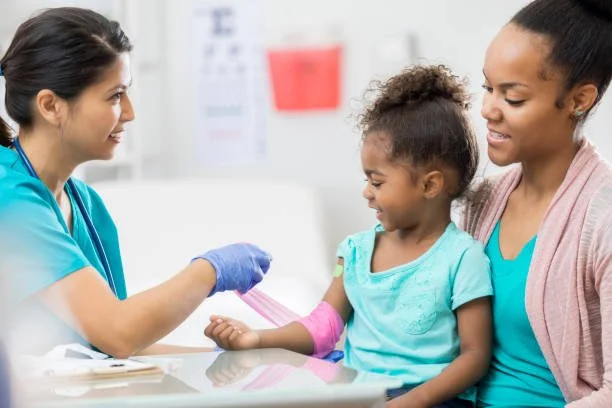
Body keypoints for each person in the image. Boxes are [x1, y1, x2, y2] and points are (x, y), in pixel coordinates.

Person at [205, 65, 493, 408]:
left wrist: (413, 402)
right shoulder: (355, 252)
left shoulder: (464, 259)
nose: (366, 193)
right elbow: (323, 327)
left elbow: (475, 356)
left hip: (434, 400)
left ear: (430, 185)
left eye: (378, 182)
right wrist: (255, 339)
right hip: (359, 396)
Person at [0, 7, 271, 358]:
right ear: (51, 106)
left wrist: (256, 359)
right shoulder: (11, 202)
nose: (130, 113)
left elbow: (112, 346)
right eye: (115, 96)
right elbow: (120, 333)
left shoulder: (86, 204)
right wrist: (210, 270)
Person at [462, 0, 612, 406]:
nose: (487, 109)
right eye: (488, 88)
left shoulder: (603, 222)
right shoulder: (482, 202)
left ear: (579, 99)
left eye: (513, 98)